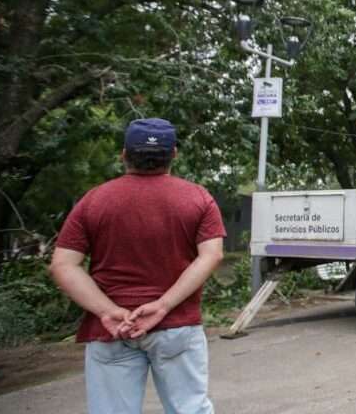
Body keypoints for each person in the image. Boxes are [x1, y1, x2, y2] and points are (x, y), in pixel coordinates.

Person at [50, 118, 226, 414]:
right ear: (173, 155)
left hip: (114, 329)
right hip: (177, 327)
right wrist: (163, 305)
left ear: (123, 155)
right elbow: (212, 255)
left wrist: (107, 312)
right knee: (190, 409)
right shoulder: (198, 198)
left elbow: (63, 265)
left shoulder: (93, 201)